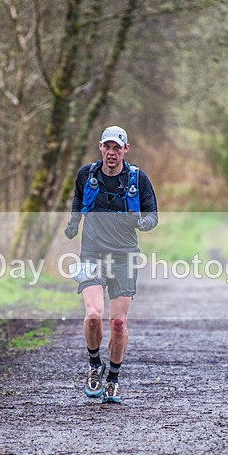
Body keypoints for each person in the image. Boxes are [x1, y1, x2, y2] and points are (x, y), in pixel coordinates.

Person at [64, 125, 158, 403]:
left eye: (117, 147)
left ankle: (113, 380)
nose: (112, 152)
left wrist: (143, 222)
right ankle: (95, 365)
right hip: (92, 254)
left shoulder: (138, 179)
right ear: (101, 147)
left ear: (125, 149)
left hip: (124, 256)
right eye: (107, 146)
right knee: (93, 314)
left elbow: (153, 216)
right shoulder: (87, 174)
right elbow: (78, 199)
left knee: (117, 323)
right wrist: (73, 223)